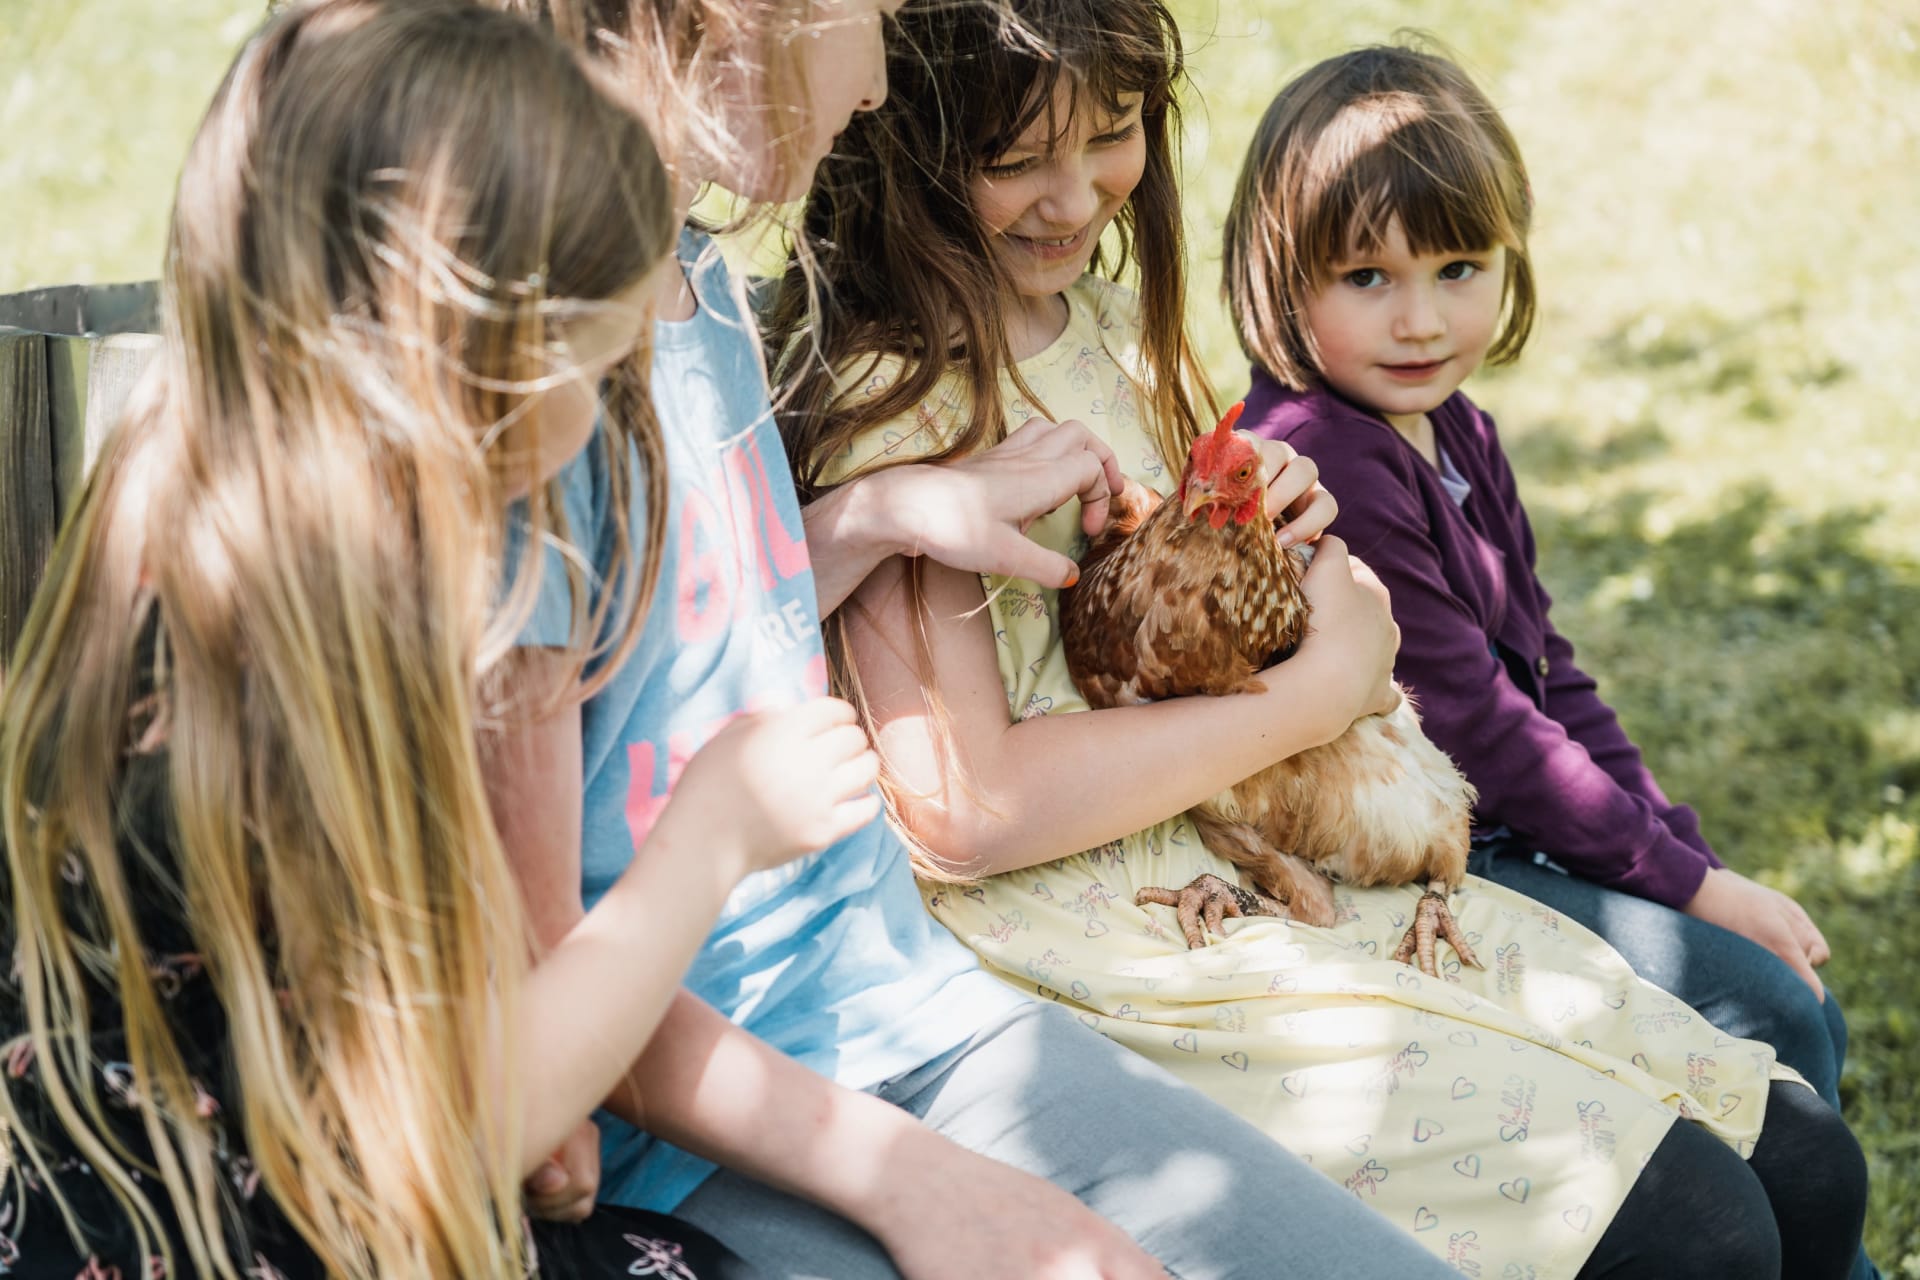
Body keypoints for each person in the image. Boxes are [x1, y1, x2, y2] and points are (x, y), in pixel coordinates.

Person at [775, 3, 1868, 1277]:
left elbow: (1161, 622)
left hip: (1253, 846)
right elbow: (967, 809)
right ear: (901, 137)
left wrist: (1254, 533)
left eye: (1113, 133)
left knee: (1805, 1159)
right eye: (1016, 158)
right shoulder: (899, 402)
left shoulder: (1101, 324)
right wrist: (1315, 691)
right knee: (1697, 1225)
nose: (1074, 198)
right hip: (1108, 937)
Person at [476, 2, 1472, 1278]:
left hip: (906, 1007)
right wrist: (915, 1181)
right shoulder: (541, 391)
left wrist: (872, 518)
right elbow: (549, 1002)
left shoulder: (690, 283)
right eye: (874, 17)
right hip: (710, 1123)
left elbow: (674, 637)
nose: (881, 84)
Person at [0, 1, 863, 1274]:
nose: (603, 417)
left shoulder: (201, 521)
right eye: (599, 365)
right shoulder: (330, 675)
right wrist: (711, 838)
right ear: (483, 356)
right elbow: (462, 1122)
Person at [1220, 41, 1878, 1279]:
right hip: (1419, 857)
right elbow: (1483, 728)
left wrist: (1685, 858)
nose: (1422, 318)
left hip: (1504, 826)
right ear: (1278, 276)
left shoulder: (1450, 424)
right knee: (1771, 1008)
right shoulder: (1328, 457)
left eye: (1458, 268)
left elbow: (1547, 669)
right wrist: (1690, 892)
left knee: (1790, 1005)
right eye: (1366, 276)